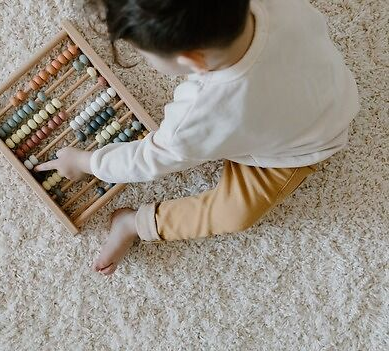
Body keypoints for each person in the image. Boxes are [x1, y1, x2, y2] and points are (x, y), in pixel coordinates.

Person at [36, 0, 360, 275]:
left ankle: (135, 224)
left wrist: (83, 161)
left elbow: (148, 159)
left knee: (234, 213)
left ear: (192, 60)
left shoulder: (198, 116)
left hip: (303, 147)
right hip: (331, 89)